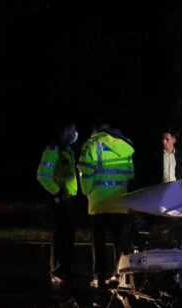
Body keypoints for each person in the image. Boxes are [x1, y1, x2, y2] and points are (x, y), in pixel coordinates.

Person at [78, 124, 136, 288]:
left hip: (98, 203)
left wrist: (87, 191)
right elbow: (130, 173)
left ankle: (99, 277)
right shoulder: (125, 146)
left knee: (99, 243)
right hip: (119, 202)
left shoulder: (92, 145)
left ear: (96, 130)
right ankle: (119, 275)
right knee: (119, 242)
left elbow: (86, 172)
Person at [36, 123, 79, 287]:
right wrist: (58, 193)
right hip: (60, 200)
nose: (74, 133)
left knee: (68, 236)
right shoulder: (53, 150)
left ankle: (66, 268)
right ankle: (57, 270)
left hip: (69, 199)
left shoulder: (68, 151)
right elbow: (42, 175)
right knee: (60, 235)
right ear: (64, 132)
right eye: (72, 130)